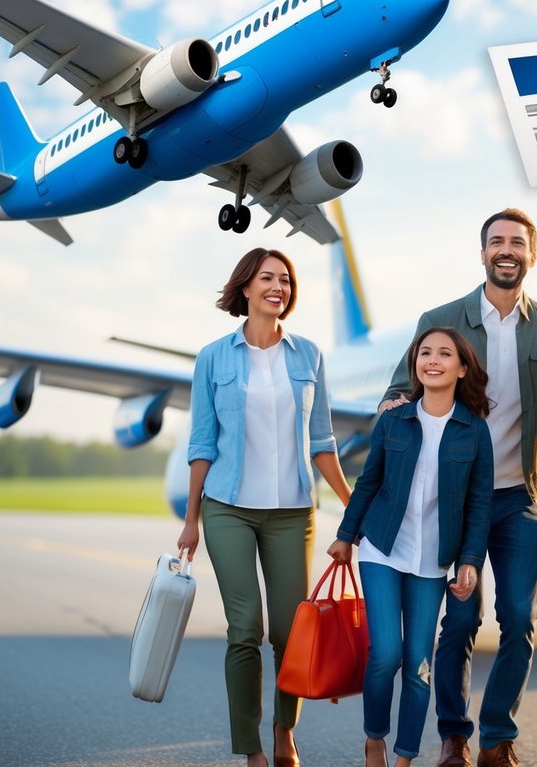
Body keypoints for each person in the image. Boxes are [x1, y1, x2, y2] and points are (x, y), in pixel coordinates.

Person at [379, 209, 537, 767]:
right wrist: (397, 409)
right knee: (461, 620)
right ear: (483, 252)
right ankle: (454, 736)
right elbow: (399, 391)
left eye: (517, 242)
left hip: (519, 497)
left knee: (519, 618)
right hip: (454, 501)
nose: (507, 250)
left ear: (531, 255)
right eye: (497, 242)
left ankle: (498, 737)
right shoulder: (441, 320)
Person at [178, 247, 353, 767]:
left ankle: (284, 731)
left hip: (291, 511)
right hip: (227, 507)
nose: (279, 287)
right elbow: (202, 443)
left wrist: (351, 504)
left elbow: (322, 440)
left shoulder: (309, 356)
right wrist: (191, 519)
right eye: (268, 278)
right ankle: (251, 746)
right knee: (246, 628)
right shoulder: (213, 357)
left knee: (290, 630)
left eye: (286, 280)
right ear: (247, 288)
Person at [328, 327, 494, 767]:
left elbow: (479, 504)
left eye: (445, 354)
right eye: (425, 353)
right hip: (382, 548)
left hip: (433, 560)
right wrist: (346, 536)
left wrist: (470, 563)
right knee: (386, 654)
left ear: (462, 369)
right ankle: (374, 738)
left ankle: (404, 758)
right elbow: (368, 484)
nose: (433, 360)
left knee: (419, 665)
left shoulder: (475, 432)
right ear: (415, 365)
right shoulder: (393, 420)